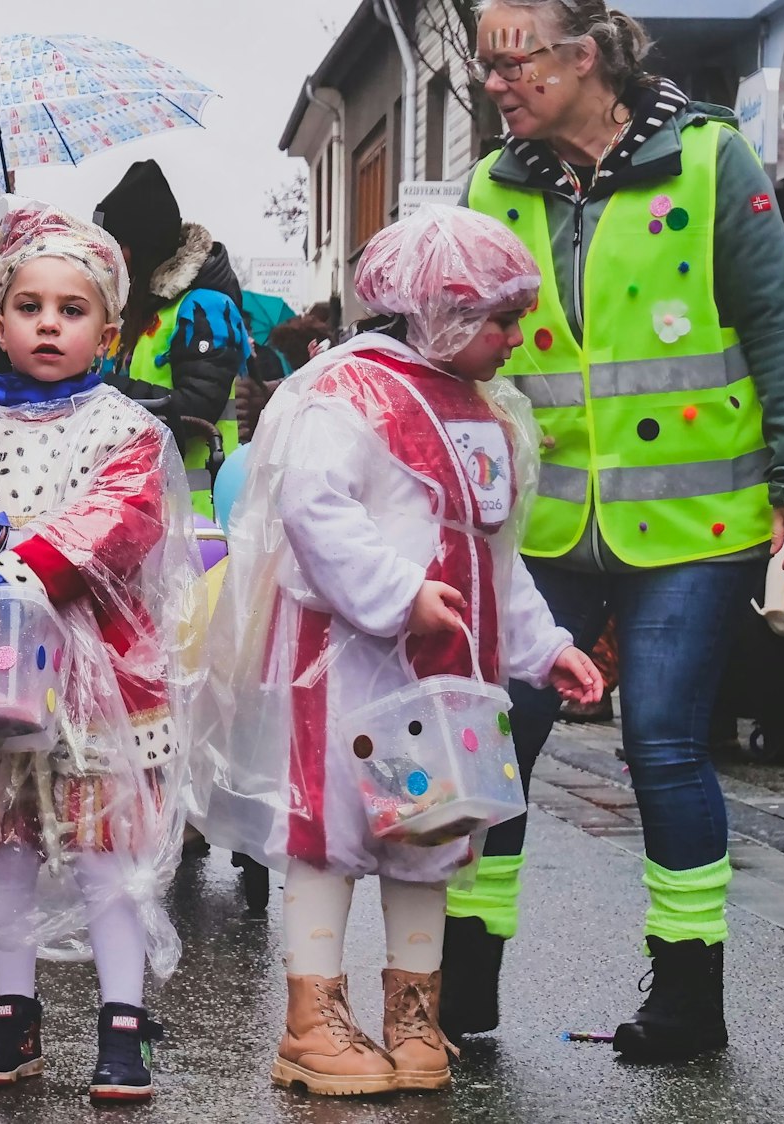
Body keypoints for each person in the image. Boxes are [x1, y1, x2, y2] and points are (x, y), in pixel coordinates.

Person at [451, 0, 784, 1061]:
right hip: (544, 519)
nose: (495, 83)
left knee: (663, 739)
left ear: (585, 56)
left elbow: (773, 324)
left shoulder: (709, 160)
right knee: (499, 735)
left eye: (513, 61)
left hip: (693, 515)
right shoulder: (492, 187)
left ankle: (688, 994)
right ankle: (463, 981)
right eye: (485, 66)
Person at [196, 206, 602, 1096]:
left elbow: (495, 554)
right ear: (441, 311)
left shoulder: (482, 410)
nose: (515, 337)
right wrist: (398, 593)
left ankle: (414, 1015)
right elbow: (313, 507)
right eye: (500, 318)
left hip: (452, 673)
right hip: (348, 666)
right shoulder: (350, 394)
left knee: (433, 829)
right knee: (332, 833)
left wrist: (545, 648)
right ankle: (311, 1019)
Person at [0, 181, 203, 1104]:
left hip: (97, 674)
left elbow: (122, 522)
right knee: (1, 842)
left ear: (108, 331)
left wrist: (22, 564)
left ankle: (122, 1018)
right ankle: (13, 1011)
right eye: (29, 306)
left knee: (105, 845)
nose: (49, 325)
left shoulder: (128, 431)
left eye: (72, 310)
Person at [95, 160, 253, 518]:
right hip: (142, 509)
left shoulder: (205, 308)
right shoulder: (133, 313)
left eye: (113, 245)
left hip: (199, 516)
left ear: (140, 248)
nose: (107, 258)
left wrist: (104, 389)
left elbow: (196, 407)